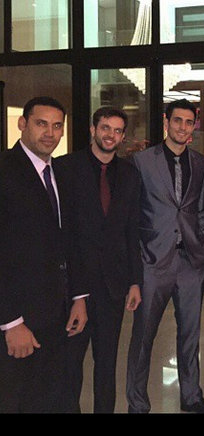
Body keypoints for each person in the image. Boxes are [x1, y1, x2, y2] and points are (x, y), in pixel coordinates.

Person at [126, 99, 204, 413]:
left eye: (189, 122)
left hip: (190, 261)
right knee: (143, 337)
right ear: (166, 122)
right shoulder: (141, 161)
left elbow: (200, 209)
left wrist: (202, 243)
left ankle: (191, 397)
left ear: (194, 126)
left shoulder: (201, 163)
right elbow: (132, 212)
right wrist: (139, 253)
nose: (182, 127)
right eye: (177, 120)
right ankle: (138, 403)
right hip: (153, 261)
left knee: (191, 334)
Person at [0, 96, 87, 413]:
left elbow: (70, 240)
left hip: (59, 315)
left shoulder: (60, 172)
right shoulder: (5, 171)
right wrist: (10, 322)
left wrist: (78, 296)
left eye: (57, 126)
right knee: (18, 400)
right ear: (22, 124)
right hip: (20, 319)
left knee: (55, 396)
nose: (50, 133)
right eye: (41, 124)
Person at [57, 106, 142, 413]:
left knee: (106, 364)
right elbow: (62, 231)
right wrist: (73, 290)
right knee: (70, 365)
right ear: (93, 130)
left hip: (113, 287)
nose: (111, 135)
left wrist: (135, 281)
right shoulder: (65, 168)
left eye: (118, 131)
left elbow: (132, 230)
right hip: (73, 285)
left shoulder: (130, 174)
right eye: (105, 128)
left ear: (122, 136)